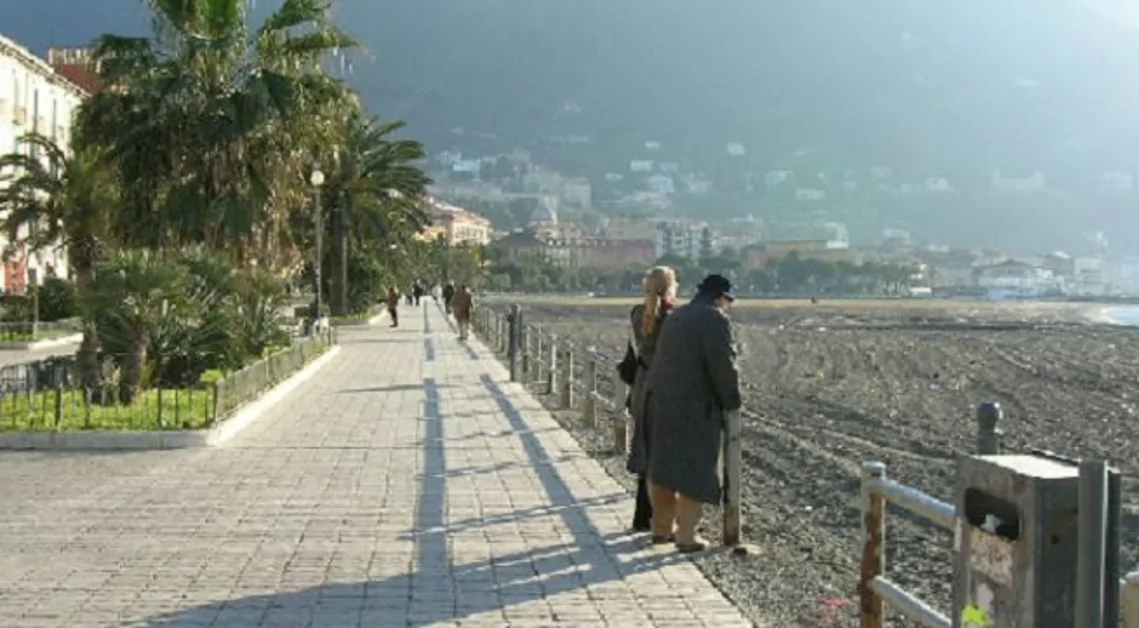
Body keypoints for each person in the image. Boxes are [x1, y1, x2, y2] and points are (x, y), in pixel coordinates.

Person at [644, 273, 741, 553]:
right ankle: (686, 534)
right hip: (693, 403)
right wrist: (732, 401)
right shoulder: (714, 319)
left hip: (659, 398)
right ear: (721, 297)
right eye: (729, 300)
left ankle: (661, 529)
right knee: (693, 468)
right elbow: (722, 365)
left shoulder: (678, 315)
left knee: (662, 466)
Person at [626, 266, 678, 535]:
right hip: (665, 387)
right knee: (665, 453)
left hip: (641, 386)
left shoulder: (637, 314)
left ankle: (641, 516)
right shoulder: (674, 318)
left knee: (645, 448)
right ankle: (663, 521)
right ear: (670, 287)